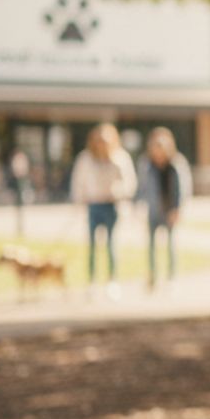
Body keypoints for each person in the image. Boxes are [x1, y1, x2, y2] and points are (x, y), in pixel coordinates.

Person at [70, 123, 137, 297]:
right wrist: (78, 202)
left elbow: (130, 183)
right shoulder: (85, 159)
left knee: (111, 244)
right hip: (93, 204)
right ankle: (92, 281)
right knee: (92, 245)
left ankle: (112, 280)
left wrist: (119, 191)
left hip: (111, 204)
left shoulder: (120, 158)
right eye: (99, 141)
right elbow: (78, 182)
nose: (101, 144)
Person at [138, 127, 191, 289]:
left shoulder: (176, 163)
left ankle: (171, 277)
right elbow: (142, 187)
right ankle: (152, 276)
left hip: (170, 209)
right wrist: (138, 207)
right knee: (151, 246)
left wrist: (178, 209)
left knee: (170, 245)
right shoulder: (147, 164)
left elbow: (183, 187)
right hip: (153, 209)